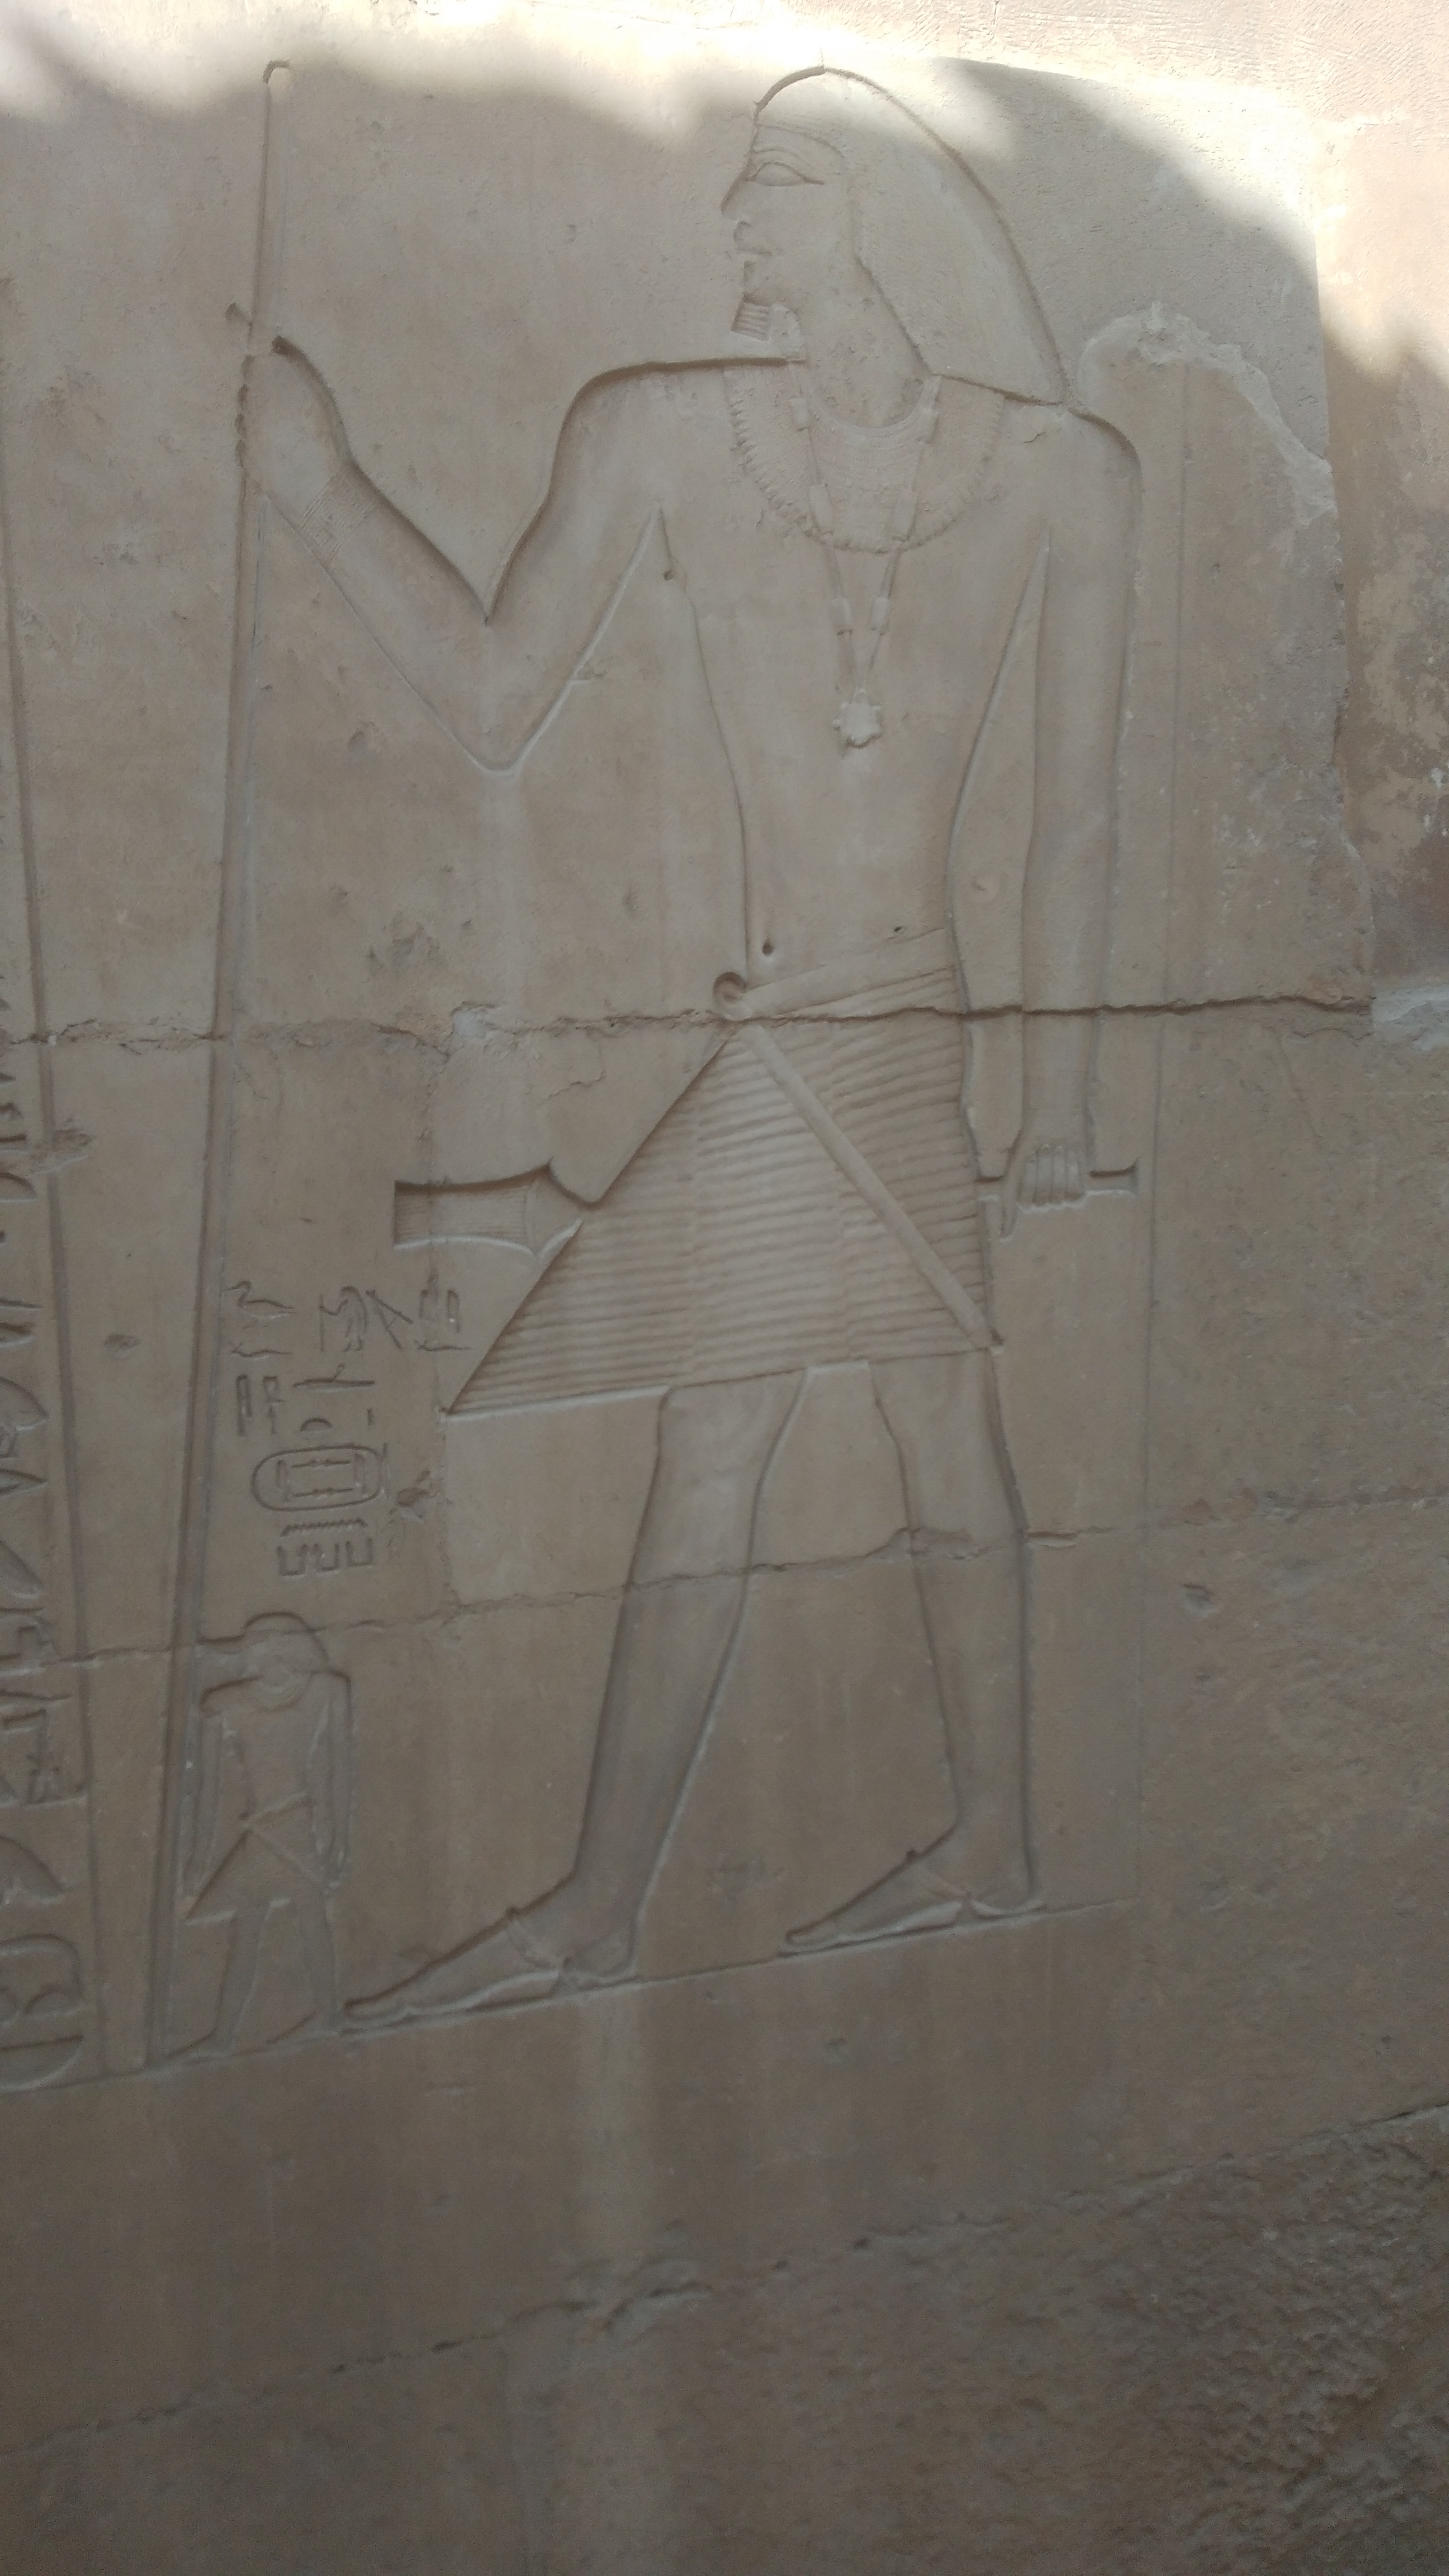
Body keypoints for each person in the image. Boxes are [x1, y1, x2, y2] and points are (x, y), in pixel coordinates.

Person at [242, 68, 1135, 2021]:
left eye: (776, 185)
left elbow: (1076, 821)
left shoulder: (1063, 470)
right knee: (853, 1425)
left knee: (863, 1426)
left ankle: (707, 1894)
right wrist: (318, 491)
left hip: (899, 1022)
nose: (734, 217)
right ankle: (858, 1866)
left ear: (882, 218)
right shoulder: (659, 431)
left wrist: (1062, 1094)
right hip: (782, 1033)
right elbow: (496, 698)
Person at [180, 1613, 352, 2049]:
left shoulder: (327, 1691)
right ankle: (226, 2036)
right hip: (266, 1833)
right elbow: (207, 1788)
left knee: (298, 1924)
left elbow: (339, 1772)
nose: (248, 1658)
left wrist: (339, 1841)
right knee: (256, 1929)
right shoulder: (225, 1703)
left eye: (255, 1649)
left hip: (290, 1829)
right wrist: (198, 1860)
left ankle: (323, 2017)